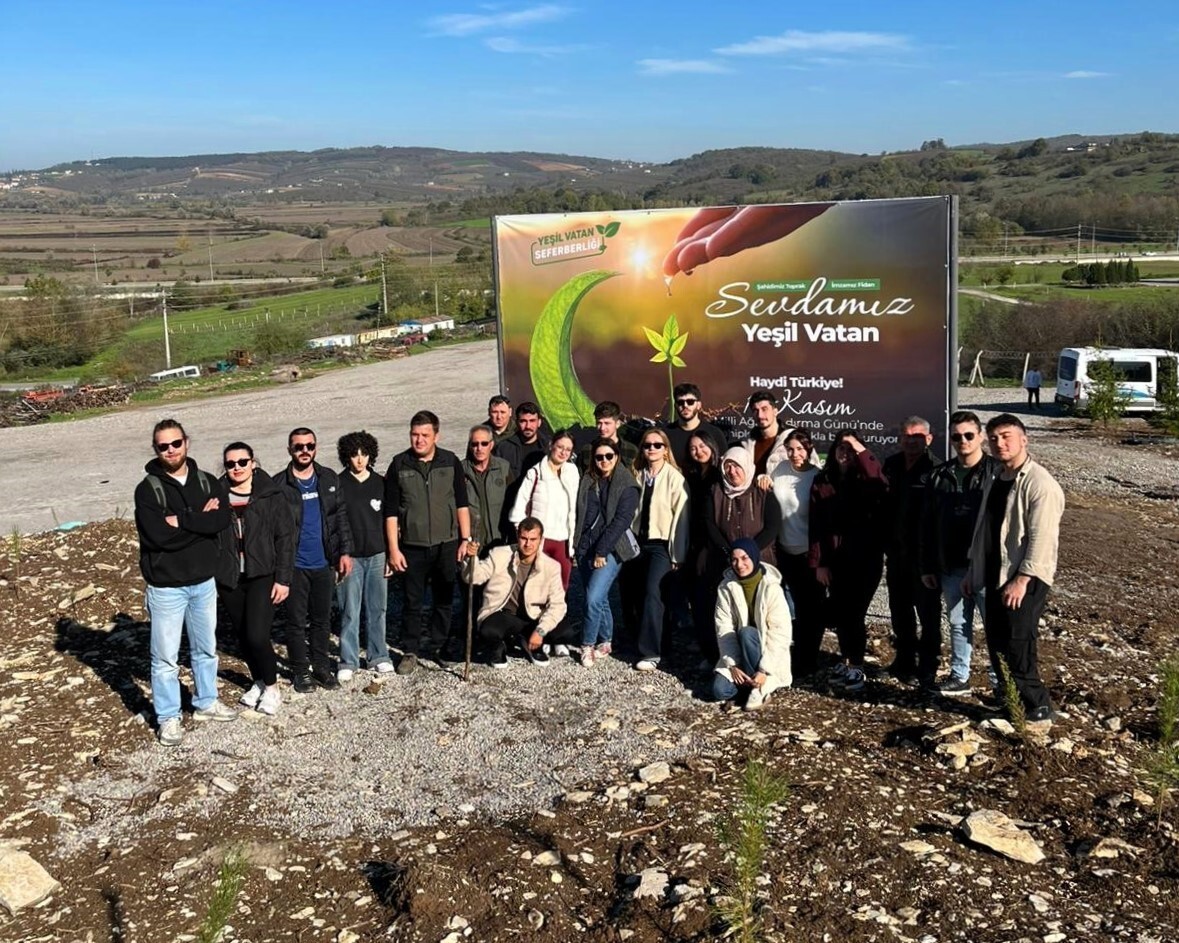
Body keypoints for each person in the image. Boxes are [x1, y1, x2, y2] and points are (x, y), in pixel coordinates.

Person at [134, 419, 237, 746]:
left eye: (175, 443)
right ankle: (168, 717)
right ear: (156, 449)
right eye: (163, 446)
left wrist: (181, 519)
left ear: (186, 443)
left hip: (203, 582)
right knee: (164, 658)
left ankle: (206, 701)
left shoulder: (207, 482)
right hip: (166, 588)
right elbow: (158, 536)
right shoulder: (148, 489)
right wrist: (199, 522)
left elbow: (220, 521)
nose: (170, 450)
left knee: (205, 648)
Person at [965, 414, 1064, 724]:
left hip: (1025, 578)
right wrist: (974, 572)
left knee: (1018, 642)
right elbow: (985, 530)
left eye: (1007, 436)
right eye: (994, 438)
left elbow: (1042, 538)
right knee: (997, 641)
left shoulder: (1039, 484)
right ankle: (1012, 702)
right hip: (996, 575)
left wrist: (1022, 579)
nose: (1000, 443)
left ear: (1024, 439)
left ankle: (1037, 706)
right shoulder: (998, 478)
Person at [384, 410, 472, 675]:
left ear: (436, 435)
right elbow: (390, 512)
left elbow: (461, 504)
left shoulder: (450, 461)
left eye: (425, 435)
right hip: (412, 546)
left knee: (444, 599)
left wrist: (465, 539)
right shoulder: (399, 464)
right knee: (412, 601)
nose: (419, 440)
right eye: (414, 434)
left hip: (446, 544)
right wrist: (393, 549)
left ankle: (438, 646)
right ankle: (410, 650)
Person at [920, 411, 997, 696]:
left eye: (968, 435)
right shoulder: (939, 476)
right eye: (956, 436)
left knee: (994, 627)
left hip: (987, 566)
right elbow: (926, 525)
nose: (962, 441)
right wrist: (927, 565)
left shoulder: (997, 473)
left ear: (980, 436)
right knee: (958, 622)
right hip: (950, 565)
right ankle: (959, 674)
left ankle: (1000, 681)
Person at [808, 430, 888, 693]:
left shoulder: (865, 480)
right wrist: (819, 563)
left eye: (851, 449)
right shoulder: (823, 481)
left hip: (865, 560)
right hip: (835, 561)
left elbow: (878, 480)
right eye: (840, 448)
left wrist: (858, 448)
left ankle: (857, 665)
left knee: (854, 613)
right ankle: (845, 658)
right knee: (842, 613)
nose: (845, 453)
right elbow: (816, 525)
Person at [217, 441, 293, 716]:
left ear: (253, 463)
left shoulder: (270, 494)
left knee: (257, 634)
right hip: (229, 578)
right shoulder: (216, 496)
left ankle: (273, 687)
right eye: (230, 464)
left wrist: (283, 579)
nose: (236, 468)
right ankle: (258, 681)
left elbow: (285, 538)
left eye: (242, 462)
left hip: (262, 574)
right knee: (242, 636)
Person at [279, 427, 354, 693]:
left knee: (322, 619)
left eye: (309, 445)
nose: (304, 451)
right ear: (290, 449)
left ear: (315, 447)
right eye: (298, 446)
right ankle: (301, 671)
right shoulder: (280, 485)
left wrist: (345, 552)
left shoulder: (328, 478)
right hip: (295, 566)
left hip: (324, 563)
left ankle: (321, 667)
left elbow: (340, 518)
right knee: (296, 621)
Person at [463, 517, 577, 667]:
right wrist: (471, 558)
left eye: (533, 539)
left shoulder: (551, 566)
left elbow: (558, 605)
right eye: (524, 538)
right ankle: (499, 647)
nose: (528, 544)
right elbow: (474, 577)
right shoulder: (499, 554)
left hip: (534, 616)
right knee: (487, 630)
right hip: (506, 614)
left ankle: (532, 642)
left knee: (566, 632)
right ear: (518, 536)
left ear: (540, 539)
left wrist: (541, 631)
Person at [882, 417, 943, 690]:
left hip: (925, 558)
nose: (911, 441)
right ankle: (904, 660)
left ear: (929, 439)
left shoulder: (937, 469)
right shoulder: (892, 464)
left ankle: (928, 665)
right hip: (896, 553)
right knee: (900, 609)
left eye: (917, 437)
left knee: (928, 613)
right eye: (906, 436)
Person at [572, 437, 641, 667]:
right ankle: (606, 639)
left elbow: (621, 522)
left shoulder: (627, 484)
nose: (604, 461)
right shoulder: (588, 480)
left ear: (617, 457)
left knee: (592, 598)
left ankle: (587, 644)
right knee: (598, 597)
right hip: (584, 547)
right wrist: (577, 544)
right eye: (599, 457)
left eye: (608, 456)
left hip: (612, 548)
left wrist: (601, 551)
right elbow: (580, 515)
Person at [335, 430, 392, 682]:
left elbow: (391, 521)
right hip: (351, 557)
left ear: (371, 456)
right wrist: (339, 554)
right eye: (354, 455)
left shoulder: (381, 483)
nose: (359, 460)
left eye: (364, 454)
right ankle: (348, 659)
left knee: (378, 608)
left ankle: (379, 655)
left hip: (378, 553)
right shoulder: (338, 484)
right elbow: (334, 522)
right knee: (349, 610)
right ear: (346, 457)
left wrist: (391, 553)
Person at [630, 427, 689, 671]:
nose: (652, 449)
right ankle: (659, 643)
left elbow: (682, 518)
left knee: (653, 594)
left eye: (657, 445)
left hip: (662, 544)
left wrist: (678, 553)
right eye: (647, 445)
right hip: (637, 542)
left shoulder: (675, 478)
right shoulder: (638, 474)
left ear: (666, 450)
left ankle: (650, 653)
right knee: (638, 594)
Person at [712, 539, 793, 711]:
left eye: (744, 558)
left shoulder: (772, 588)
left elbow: (780, 633)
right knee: (720, 691)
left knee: (747, 633)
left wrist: (764, 670)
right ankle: (750, 684)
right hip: (739, 653)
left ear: (755, 558)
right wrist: (732, 665)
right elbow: (724, 628)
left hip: (766, 655)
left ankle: (758, 686)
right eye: (734, 559)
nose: (739, 564)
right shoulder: (726, 587)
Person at [770, 429, 824, 678]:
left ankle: (808, 661)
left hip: (807, 553)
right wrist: (762, 477)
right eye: (790, 449)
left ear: (809, 449)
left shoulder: (816, 477)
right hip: (783, 550)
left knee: (809, 610)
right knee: (783, 608)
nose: (795, 454)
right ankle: (785, 657)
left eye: (800, 449)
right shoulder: (780, 470)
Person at [509, 430, 579, 590]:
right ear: (551, 445)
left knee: (561, 588)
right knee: (536, 587)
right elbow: (519, 507)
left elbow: (574, 506)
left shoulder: (572, 472)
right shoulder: (535, 473)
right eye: (560, 447)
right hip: (540, 540)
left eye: (568, 449)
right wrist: (525, 537)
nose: (563, 452)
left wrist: (572, 539)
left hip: (563, 541)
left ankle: (558, 616)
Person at [682, 429, 725, 664]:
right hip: (695, 542)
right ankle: (706, 646)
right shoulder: (692, 475)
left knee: (711, 598)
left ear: (712, 446)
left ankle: (716, 651)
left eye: (702, 446)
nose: (698, 452)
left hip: (714, 544)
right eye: (693, 448)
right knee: (698, 597)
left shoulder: (719, 475)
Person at [707, 447, 781, 570]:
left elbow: (773, 526)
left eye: (737, 466)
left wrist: (749, 551)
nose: (732, 471)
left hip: (761, 559)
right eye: (727, 466)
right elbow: (709, 524)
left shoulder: (762, 491)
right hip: (726, 561)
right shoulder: (715, 492)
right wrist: (728, 551)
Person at [738, 391, 810, 492]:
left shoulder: (796, 439)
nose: (760, 415)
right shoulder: (747, 445)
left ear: (775, 411)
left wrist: (773, 482)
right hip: (756, 504)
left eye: (764, 409)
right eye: (755, 410)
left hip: (787, 503)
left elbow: (811, 472)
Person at [462, 424, 513, 551]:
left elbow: (514, 502)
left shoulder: (504, 468)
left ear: (491, 445)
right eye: (475, 444)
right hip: (472, 542)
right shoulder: (460, 470)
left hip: (499, 539)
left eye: (484, 443)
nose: (479, 448)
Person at [664, 382, 728, 469]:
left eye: (690, 402)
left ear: (698, 405)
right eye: (680, 402)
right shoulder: (665, 435)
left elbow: (724, 466)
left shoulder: (715, 434)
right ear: (675, 406)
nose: (685, 406)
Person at [577, 401, 638, 472]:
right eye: (599, 423)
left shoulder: (631, 451)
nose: (602, 428)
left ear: (617, 424)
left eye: (607, 423)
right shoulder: (588, 450)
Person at [498, 401, 550, 479]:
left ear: (539, 422)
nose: (528, 426)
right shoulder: (504, 448)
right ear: (517, 423)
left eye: (532, 421)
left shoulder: (549, 447)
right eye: (523, 421)